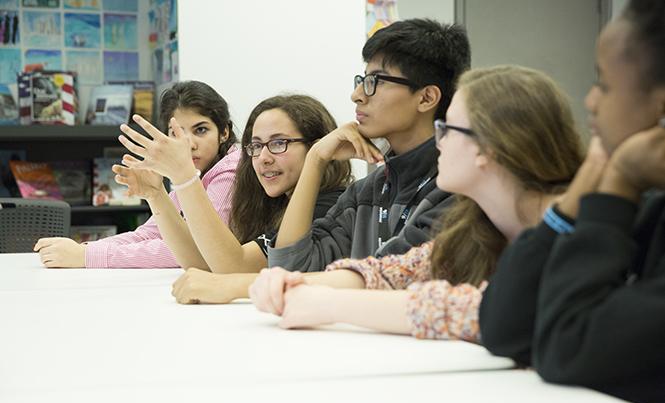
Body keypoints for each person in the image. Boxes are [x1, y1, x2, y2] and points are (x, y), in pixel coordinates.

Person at [248, 65, 583, 341]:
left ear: (488, 148)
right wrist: (297, 285)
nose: (438, 141)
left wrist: (329, 302)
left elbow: (495, 310)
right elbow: (395, 271)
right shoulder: (478, 221)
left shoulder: (574, 222)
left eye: (448, 129)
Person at [479, 0, 665, 403]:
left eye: (605, 84)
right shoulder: (650, 206)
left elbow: (566, 346)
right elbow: (503, 327)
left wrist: (618, 184)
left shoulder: (631, 196)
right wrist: (577, 199)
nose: (591, 101)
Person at [266, 18, 471, 273]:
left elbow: (392, 280)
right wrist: (316, 159)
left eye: (376, 80)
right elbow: (288, 267)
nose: (358, 94)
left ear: (426, 97)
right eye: (362, 80)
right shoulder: (366, 192)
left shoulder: (457, 189)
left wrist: (234, 285)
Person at [116, 95, 352, 281]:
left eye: (279, 143)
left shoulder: (329, 204)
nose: (263, 158)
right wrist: (156, 195)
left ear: (318, 146)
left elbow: (235, 268)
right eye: (256, 145)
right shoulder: (271, 199)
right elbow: (202, 263)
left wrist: (184, 176)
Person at [34, 81, 240, 268]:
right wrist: (82, 249)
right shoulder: (191, 172)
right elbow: (150, 234)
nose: (188, 144)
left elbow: (190, 251)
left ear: (224, 132)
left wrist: (87, 256)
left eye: (201, 130)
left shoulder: (230, 170)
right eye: (176, 133)